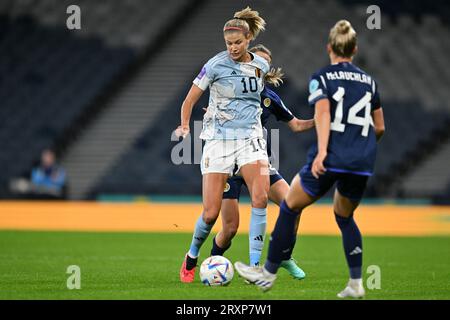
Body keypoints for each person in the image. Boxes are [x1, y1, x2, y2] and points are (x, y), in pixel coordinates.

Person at [234, 20, 386, 298]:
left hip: (331, 157)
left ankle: (266, 273)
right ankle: (356, 283)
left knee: (290, 206)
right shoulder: (369, 81)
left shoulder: (323, 77)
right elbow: (380, 128)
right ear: (355, 49)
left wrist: (325, 152)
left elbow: (324, 116)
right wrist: (363, 149)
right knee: (345, 216)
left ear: (329, 48)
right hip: (361, 161)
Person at [177, 7, 271, 283]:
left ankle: (255, 266)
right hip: (218, 141)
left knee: (261, 198)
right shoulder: (215, 65)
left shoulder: (261, 66)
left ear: (249, 38)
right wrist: (185, 125)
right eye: (229, 43)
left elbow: (253, 100)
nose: (232, 48)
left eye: (238, 43)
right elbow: (189, 100)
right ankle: (192, 256)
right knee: (210, 213)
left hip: (250, 139)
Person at [207, 44, 314, 279]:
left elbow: (296, 124)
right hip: (230, 166)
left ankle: (284, 256)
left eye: (264, 65)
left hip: (258, 162)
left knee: (292, 205)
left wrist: (322, 119)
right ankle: (213, 260)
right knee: (230, 229)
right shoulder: (229, 88)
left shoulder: (269, 97)